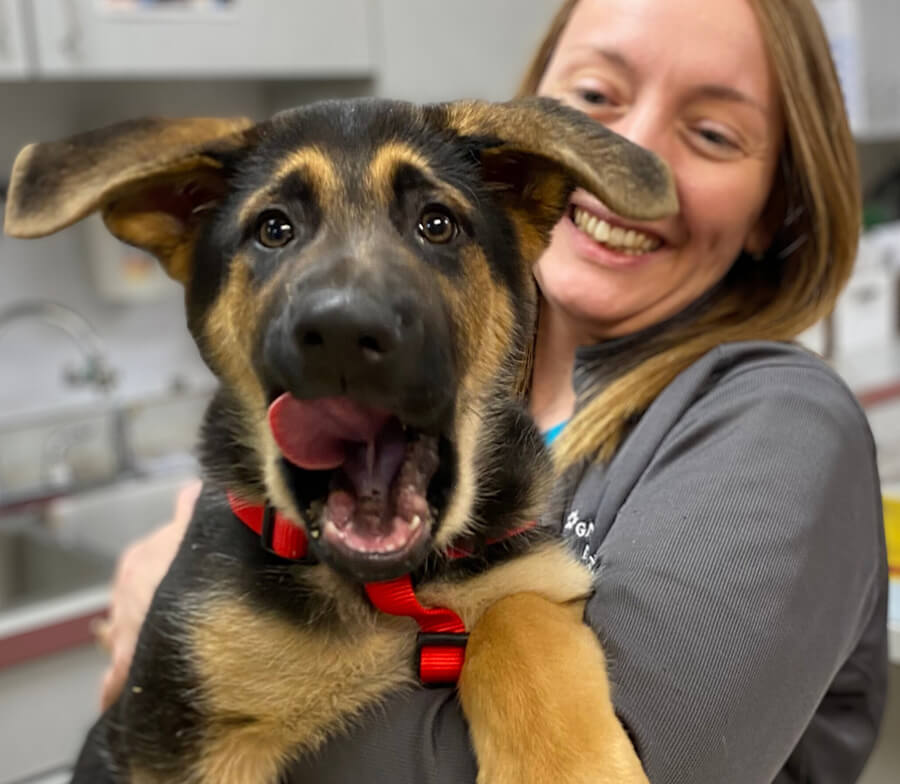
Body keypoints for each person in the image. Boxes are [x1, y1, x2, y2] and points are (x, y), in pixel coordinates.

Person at [94, 0, 889, 781]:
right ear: (540, 127)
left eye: (713, 133)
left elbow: (646, 762)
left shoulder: (776, 424)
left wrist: (186, 673)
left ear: (772, 206)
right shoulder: (430, 418)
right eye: (596, 97)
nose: (628, 147)